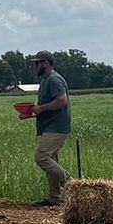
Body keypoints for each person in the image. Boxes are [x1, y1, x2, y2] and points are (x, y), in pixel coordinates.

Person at [28, 49, 71, 204]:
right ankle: (54, 198)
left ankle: (70, 183)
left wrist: (42, 108)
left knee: (41, 157)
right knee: (51, 161)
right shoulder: (46, 80)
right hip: (50, 126)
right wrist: (33, 111)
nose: (35, 66)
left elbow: (61, 101)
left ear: (45, 63)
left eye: (37, 63)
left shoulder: (54, 79)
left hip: (56, 128)